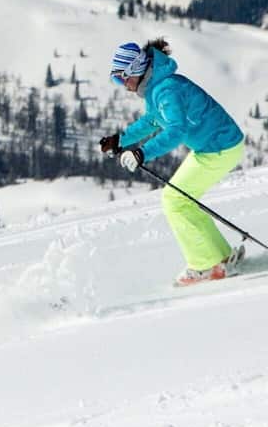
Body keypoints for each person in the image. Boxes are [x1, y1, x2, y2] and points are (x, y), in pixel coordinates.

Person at [97, 39, 248, 287]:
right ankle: (219, 257)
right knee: (180, 201)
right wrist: (121, 140)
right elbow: (153, 121)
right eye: (116, 80)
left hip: (219, 147)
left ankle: (205, 266)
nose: (122, 86)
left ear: (134, 69)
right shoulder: (157, 88)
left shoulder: (166, 90)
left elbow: (176, 130)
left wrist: (141, 153)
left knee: (174, 201)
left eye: (120, 78)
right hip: (216, 145)